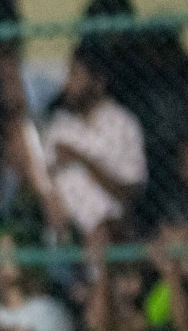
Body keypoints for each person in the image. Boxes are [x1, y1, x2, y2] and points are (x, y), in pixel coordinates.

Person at [42, 43, 148, 240]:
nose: (68, 84)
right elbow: (41, 179)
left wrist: (83, 160)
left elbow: (129, 193)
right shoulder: (58, 126)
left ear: (98, 82)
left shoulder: (124, 125)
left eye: (76, 76)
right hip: (63, 233)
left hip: (112, 232)